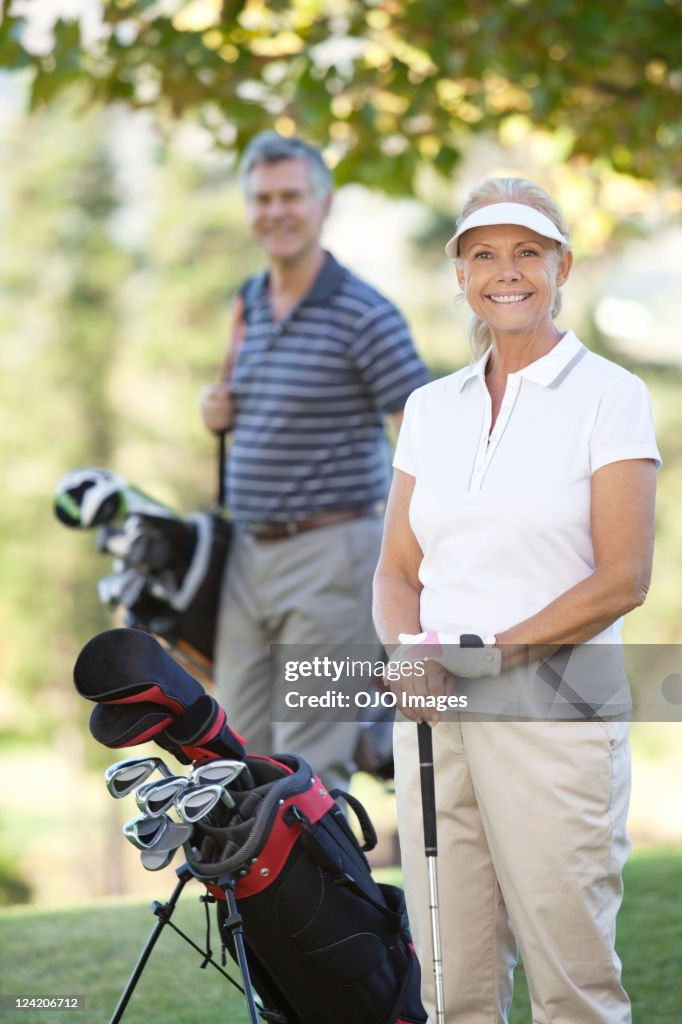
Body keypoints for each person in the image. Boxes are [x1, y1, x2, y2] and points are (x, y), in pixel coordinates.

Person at [373, 178, 660, 1024]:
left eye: (528, 251)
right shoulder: (430, 408)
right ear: (460, 274)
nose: (508, 272)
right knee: (450, 982)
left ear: (562, 264)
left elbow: (623, 580)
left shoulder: (610, 395)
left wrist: (483, 657)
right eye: (485, 254)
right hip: (433, 712)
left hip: (554, 709)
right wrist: (406, 658)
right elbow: (397, 569)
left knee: (571, 982)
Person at [200, 132, 429, 792]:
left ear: (323, 204)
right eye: (262, 198)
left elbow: (421, 431)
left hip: (335, 555)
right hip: (249, 557)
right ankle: (259, 898)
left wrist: (412, 554)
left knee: (308, 767)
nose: (276, 211)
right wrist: (219, 412)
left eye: (291, 196)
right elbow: (262, 406)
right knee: (233, 755)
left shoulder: (364, 312)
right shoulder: (248, 302)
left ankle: (325, 898)